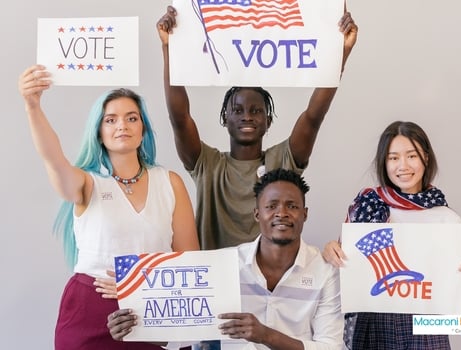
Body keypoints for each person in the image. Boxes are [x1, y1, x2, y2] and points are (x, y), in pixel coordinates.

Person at [18, 65, 200, 350]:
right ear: (99, 132)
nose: (122, 126)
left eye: (131, 118)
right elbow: (53, 159)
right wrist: (32, 106)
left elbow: (191, 263)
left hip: (149, 311)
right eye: (110, 120)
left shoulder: (170, 182)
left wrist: (138, 287)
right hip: (89, 311)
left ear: (143, 130)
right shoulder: (86, 183)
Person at [156, 5, 358, 250]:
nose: (247, 117)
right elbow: (179, 118)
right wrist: (169, 47)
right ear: (225, 119)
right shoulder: (208, 164)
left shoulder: (283, 160)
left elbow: (314, 116)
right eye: (238, 111)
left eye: (256, 111)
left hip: (272, 282)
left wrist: (341, 53)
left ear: (268, 121)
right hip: (219, 281)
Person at [107, 168, 344, 350]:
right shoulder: (224, 265)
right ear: (257, 214)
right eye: (271, 206)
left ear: (305, 214)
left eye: (292, 206)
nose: (282, 213)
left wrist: (267, 335)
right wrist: (135, 325)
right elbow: (183, 330)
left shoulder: (325, 271)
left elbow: (331, 347)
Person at [322, 121, 461, 350]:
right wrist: (332, 251)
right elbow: (346, 273)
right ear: (384, 162)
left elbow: (450, 296)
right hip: (374, 323)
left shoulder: (446, 218)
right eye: (393, 158)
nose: (402, 165)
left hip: (427, 327)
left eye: (411, 156)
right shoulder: (370, 205)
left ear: (426, 158)